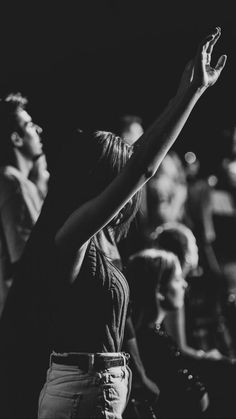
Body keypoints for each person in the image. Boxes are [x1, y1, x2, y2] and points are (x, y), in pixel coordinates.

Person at [0, 27, 227, 419]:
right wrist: (190, 95)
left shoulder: (99, 240)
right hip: (79, 394)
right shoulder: (71, 236)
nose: (129, 191)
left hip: (100, 389)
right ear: (100, 181)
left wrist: (185, 94)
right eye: (116, 177)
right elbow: (141, 167)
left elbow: (136, 160)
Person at [127, 249, 209, 418]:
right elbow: (193, 398)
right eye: (178, 279)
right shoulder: (156, 342)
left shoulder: (141, 335)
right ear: (160, 291)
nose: (184, 285)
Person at [0, 92, 49, 317]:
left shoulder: (17, 182)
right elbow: (27, 260)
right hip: (18, 313)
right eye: (29, 125)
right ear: (16, 138)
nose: (38, 130)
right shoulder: (13, 183)